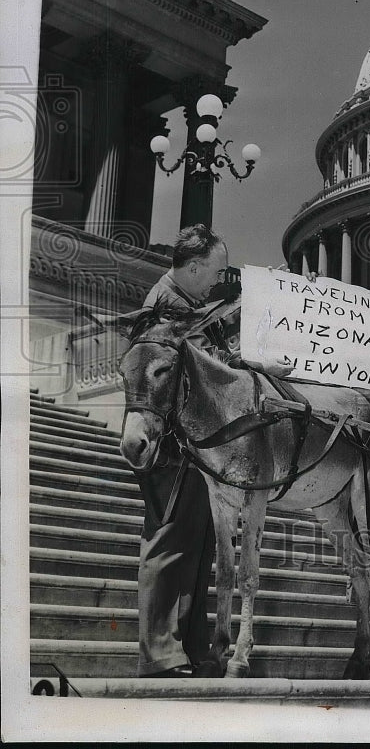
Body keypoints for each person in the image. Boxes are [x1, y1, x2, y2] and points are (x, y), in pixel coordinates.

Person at [133, 223, 230, 678]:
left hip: (190, 444)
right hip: (171, 446)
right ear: (193, 266)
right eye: (216, 270)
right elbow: (213, 366)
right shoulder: (169, 305)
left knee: (196, 546)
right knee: (170, 543)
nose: (219, 279)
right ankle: (161, 654)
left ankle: (188, 648)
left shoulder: (189, 302)